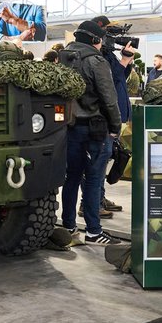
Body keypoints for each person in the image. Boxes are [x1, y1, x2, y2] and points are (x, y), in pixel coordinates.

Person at [59, 20, 121, 245]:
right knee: (94, 180)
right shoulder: (96, 61)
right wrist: (116, 127)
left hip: (69, 128)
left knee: (72, 178)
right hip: (94, 130)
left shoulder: (63, 58)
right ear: (95, 40)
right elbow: (109, 99)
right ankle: (94, 232)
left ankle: (68, 226)